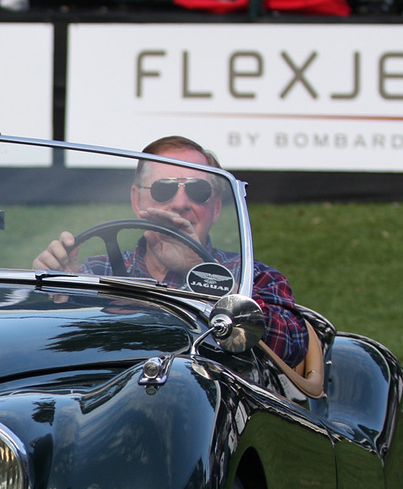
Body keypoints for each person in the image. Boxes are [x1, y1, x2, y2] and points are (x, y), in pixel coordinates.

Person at [31, 136, 308, 367]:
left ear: (216, 207)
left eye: (198, 191)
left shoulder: (254, 278)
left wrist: (210, 277)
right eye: (164, 190)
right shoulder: (93, 273)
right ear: (137, 200)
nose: (180, 203)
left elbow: (293, 348)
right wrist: (56, 293)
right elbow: (41, 348)